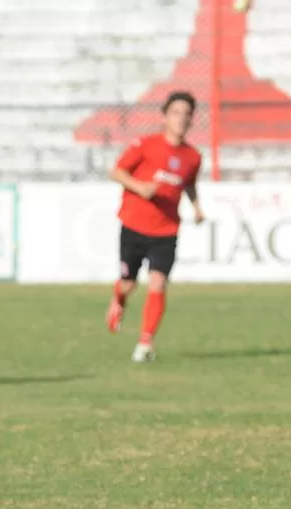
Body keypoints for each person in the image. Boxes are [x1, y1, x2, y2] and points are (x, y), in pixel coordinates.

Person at [105, 90, 205, 362]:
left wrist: (196, 206)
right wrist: (140, 187)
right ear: (165, 116)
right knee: (127, 283)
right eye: (176, 113)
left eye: (187, 114)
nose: (181, 119)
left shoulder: (193, 156)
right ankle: (119, 300)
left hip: (166, 230)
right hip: (134, 226)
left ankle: (145, 342)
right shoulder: (145, 145)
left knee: (158, 283)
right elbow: (116, 171)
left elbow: (189, 183)